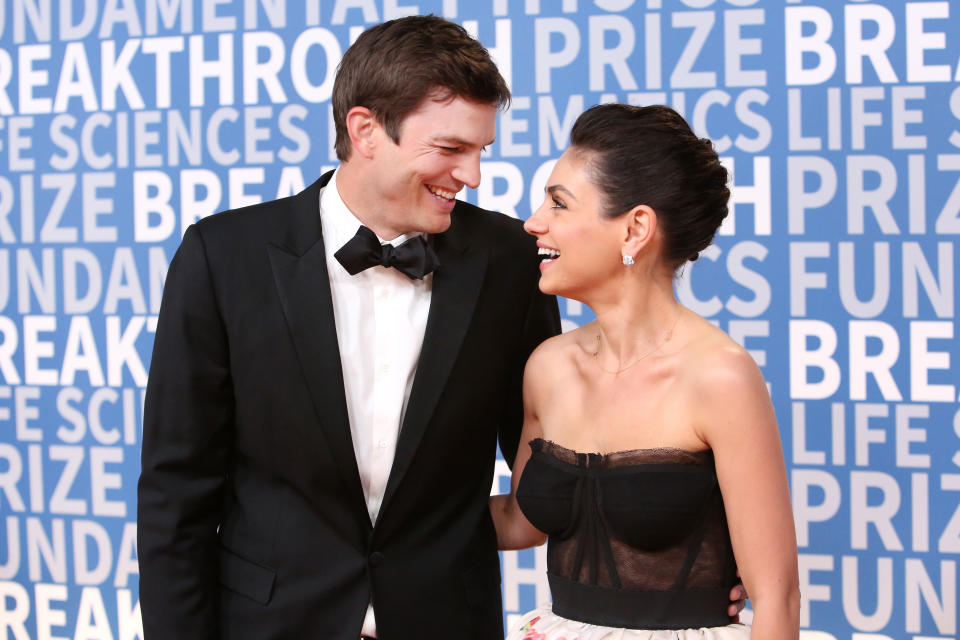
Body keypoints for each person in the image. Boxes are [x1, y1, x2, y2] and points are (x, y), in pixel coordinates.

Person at [137, 15, 746, 640]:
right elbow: (175, 495)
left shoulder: (511, 260)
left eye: (481, 150)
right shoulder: (223, 256)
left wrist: (694, 563)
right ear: (365, 130)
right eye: (451, 149)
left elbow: (558, 470)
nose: (474, 175)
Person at [490, 104, 800, 640]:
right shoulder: (547, 366)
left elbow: (777, 596)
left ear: (635, 229)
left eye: (558, 204)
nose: (533, 222)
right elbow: (519, 523)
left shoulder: (720, 376)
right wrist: (373, 511)